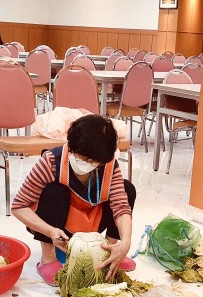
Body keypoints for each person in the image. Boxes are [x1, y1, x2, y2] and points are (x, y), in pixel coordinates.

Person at [11, 115, 136, 286]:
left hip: (91, 221)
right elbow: (19, 207)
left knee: (127, 188)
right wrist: (50, 231)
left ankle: (111, 252)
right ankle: (48, 259)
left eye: (96, 162)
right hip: (59, 229)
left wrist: (126, 242)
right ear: (70, 148)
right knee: (54, 192)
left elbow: (121, 207)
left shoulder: (107, 163)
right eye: (85, 159)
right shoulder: (51, 161)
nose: (91, 164)